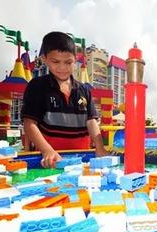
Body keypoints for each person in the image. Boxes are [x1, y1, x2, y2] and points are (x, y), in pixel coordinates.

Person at [22, 31, 108, 168]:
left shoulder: (84, 90)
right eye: (55, 61)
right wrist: (47, 150)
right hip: (51, 160)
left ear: (75, 60)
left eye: (68, 62)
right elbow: (29, 123)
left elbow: (91, 121)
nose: (62, 68)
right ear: (45, 59)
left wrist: (100, 148)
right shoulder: (37, 86)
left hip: (82, 159)